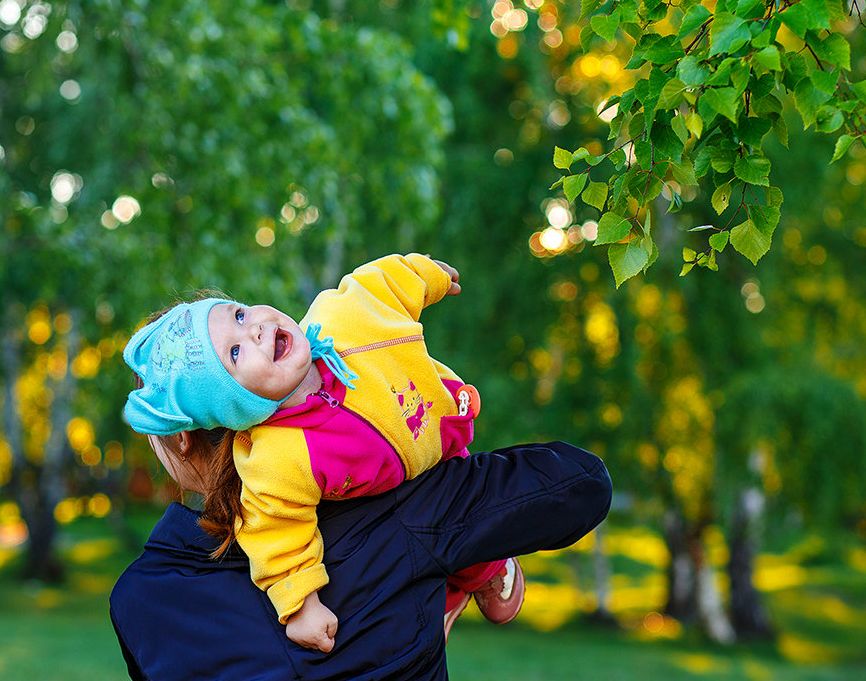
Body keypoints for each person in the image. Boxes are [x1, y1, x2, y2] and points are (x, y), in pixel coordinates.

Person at [121, 254, 526, 651]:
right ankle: (445, 591)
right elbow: (275, 532)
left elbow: (376, 285)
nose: (256, 332)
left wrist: (423, 274)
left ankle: (485, 569)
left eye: (240, 315)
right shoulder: (276, 456)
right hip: (385, 488)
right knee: (425, 531)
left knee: (471, 515)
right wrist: (301, 606)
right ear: (236, 406)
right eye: (236, 353)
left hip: (433, 433)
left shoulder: (341, 318)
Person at [111, 431, 612, 681]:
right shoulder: (396, 514)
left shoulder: (137, 600)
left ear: (173, 439)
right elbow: (581, 484)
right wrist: (428, 466)